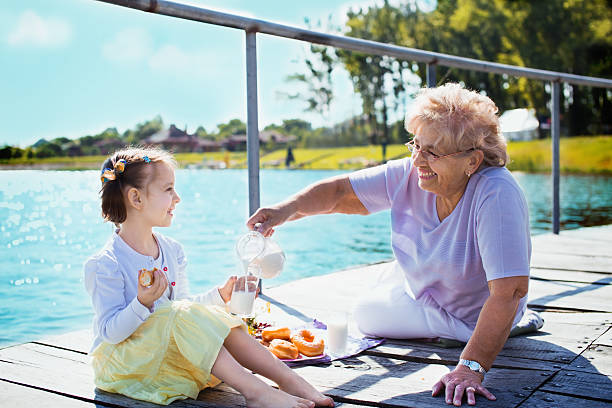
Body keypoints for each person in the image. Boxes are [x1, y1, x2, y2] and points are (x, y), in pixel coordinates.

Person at [247, 83, 541, 406]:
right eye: (416, 145)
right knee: (373, 304)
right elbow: (340, 193)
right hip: (435, 288)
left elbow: (509, 291)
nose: (418, 160)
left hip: (471, 314)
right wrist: (283, 211)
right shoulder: (412, 174)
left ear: (473, 161)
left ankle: (507, 325)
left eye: (433, 152)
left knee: (369, 314)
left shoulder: (497, 193)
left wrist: (470, 367)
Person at [84, 147, 334, 407]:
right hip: (124, 367)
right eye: (168, 189)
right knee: (179, 314)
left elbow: (183, 311)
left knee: (213, 317)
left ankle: (288, 379)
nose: (177, 198)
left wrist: (219, 297)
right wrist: (141, 303)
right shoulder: (105, 264)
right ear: (136, 198)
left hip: (160, 354)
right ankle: (257, 393)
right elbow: (109, 333)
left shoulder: (172, 250)